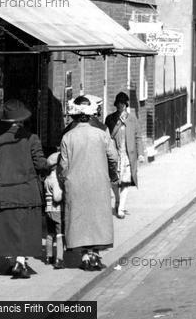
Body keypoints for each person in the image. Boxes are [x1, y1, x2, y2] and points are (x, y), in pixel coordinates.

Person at [0, 99, 48, 279]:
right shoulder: (32, 139)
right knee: (25, 228)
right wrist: (51, 163)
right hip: (27, 192)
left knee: (10, 229)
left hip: (4, 193)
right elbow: (40, 163)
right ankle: (21, 262)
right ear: (23, 120)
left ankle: (15, 262)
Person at [60, 96, 119, 271]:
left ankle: (85, 256)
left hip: (76, 183)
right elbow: (113, 157)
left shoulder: (67, 136)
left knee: (80, 219)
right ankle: (95, 255)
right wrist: (111, 172)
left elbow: (63, 165)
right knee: (97, 218)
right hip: (98, 181)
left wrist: (66, 179)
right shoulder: (102, 133)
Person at [105, 92, 145, 220]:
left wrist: (141, 154)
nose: (120, 106)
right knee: (114, 181)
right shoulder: (110, 119)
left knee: (126, 182)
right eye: (118, 103)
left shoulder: (132, 119)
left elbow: (138, 137)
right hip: (115, 155)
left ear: (126, 104)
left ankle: (121, 208)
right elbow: (107, 136)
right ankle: (117, 200)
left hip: (128, 156)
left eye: (123, 103)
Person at [43, 152, 64, 270]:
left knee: (50, 234)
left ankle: (48, 257)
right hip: (57, 210)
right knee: (60, 234)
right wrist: (63, 193)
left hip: (48, 210)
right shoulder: (56, 180)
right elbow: (57, 197)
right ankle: (59, 259)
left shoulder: (47, 179)